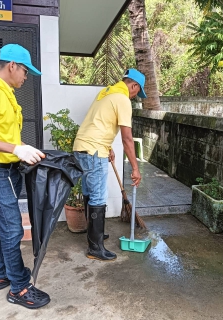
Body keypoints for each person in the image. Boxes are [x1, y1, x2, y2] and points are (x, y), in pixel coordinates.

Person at [0, 44, 50, 309]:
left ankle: (0, 274)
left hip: (7, 169)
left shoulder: (6, 92)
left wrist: (19, 153)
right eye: (25, 71)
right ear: (11, 66)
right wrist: (16, 149)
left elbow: (2, 131)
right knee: (13, 228)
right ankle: (19, 288)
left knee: (1, 223)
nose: (26, 77)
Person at [73, 68, 146, 261]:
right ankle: (95, 248)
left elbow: (98, 121)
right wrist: (136, 168)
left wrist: (107, 147)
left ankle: (93, 234)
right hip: (94, 151)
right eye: (137, 91)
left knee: (89, 192)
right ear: (134, 85)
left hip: (81, 147)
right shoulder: (122, 99)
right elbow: (127, 139)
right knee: (98, 197)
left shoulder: (106, 92)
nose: (135, 95)